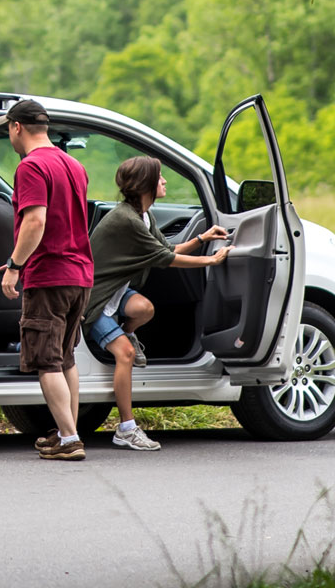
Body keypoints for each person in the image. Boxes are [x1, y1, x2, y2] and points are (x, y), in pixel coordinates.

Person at [84, 156, 232, 451]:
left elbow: (165, 248)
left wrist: (202, 237)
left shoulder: (142, 216)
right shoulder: (126, 220)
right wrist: (211, 259)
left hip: (116, 292)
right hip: (94, 301)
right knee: (125, 355)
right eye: (160, 177)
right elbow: (168, 260)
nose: (164, 181)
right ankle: (126, 428)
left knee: (145, 309)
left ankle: (124, 332)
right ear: (145, 185)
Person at [0, 99, 94, 461]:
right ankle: (68, 432)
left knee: (46, 360)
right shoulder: (74, 165)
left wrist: (14, 265)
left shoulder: (31, 167)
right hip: (79, 274)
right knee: (65, 358)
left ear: (17, 127)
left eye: (8, 128)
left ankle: (69, 439)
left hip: (49, 275)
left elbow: (35, 221)